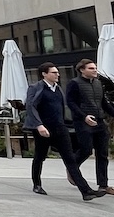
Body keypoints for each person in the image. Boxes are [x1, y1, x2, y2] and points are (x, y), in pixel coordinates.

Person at [25, 62, 98, 199]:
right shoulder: (35, 88)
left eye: (57, 72)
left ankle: (86, 191)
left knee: (70, 158)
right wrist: (39, 125)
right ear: (44, 74)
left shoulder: (58, 89)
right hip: (43, 129)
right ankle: (37, 184)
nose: (57, 74)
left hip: (60, 128)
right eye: (54, 72)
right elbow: (30, 107)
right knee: (40, 157)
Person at [66, 58, 114, 196]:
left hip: (99, 121)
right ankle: (72, 167)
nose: (95, 70)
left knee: (102, 153)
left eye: (95, 68)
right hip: (83, 122)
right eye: (91, 68)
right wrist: (84, 116)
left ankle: (103, 185)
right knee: (86, 150)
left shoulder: (98, 84)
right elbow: (71, 103)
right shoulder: (74, 84)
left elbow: (104, 103)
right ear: (82, 70)